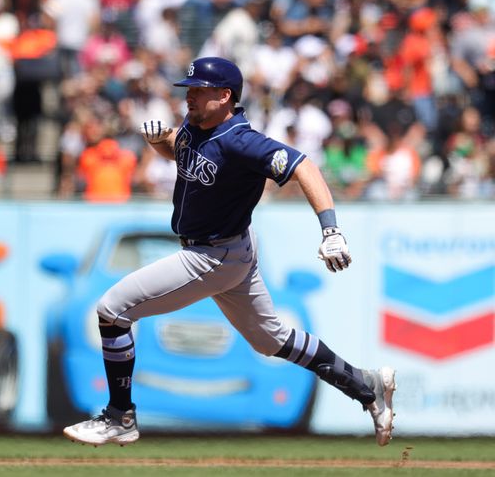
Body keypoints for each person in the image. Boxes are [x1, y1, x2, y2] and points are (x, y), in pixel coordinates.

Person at [63, 57, 396, 448]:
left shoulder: (242, 141)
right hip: (230, 249)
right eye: (188, 89)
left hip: (213, 254)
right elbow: (185, 150)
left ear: (224, 96)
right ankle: (365, 385)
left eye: (199, 90)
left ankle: (120, 417)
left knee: (112, 310)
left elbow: (304, 167)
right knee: (271, 341)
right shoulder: (194, 125)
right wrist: (162, 143)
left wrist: (331, 229)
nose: (190, 96)